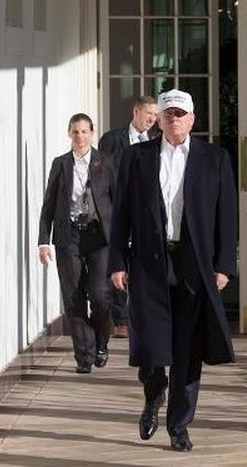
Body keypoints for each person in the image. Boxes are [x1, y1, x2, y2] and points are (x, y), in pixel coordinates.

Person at [108, 89, 237, 452]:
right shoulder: (137, 158)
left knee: (187, 348)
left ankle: (179, 426)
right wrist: (117, 261)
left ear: (193, 119)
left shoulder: (215, 158)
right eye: (168, 114)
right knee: (149, 343)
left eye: (181, 114)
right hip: (149, 262)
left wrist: (225, 265)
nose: (175, 120)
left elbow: (226, 216)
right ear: (159, 119)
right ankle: (153, 394)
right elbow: (121, 215)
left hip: (194, 266)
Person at [38, 113, 115, 374]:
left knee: (100, 295)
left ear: (92, 133)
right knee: (73, 298)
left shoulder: (106, 162)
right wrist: (43, 241)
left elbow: (119, 202)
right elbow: (48, 204)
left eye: (84, 131)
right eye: (75, 132)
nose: (80, 137)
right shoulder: (60, 164)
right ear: (69, 134)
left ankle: (100, 342)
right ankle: (84, 355)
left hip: (99, 237)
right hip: (69, 236)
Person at [98, 96, 159, 338]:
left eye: (155, 116)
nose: (152, 120)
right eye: (149, 114)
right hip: (118, 208)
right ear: (136, 111)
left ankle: (147, 316)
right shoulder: (112, 140)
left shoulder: (157, 140)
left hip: (147, 211)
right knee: (119, 262)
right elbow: (100, 174)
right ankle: (121, 320)